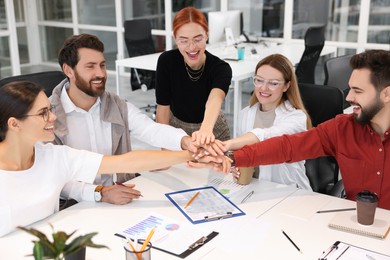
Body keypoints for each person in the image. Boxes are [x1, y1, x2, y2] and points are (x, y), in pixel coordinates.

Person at [0, 81, 219, 237]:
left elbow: (127, 162)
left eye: (50, 110)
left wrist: (193, 154)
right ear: (14, 124)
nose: (53, 117)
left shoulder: (55, 157)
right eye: (43, 113)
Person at [194, 50, 390, 210]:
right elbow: (286, 146)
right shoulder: (342, 128)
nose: (349, 97)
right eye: (350, 89)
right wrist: (231, 158)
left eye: (358, 91)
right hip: (356, 225)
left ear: (386, 94)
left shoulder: (296, 116)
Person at [50, 34, 195, 205]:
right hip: (74, 205)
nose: (100, 73)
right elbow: (52, 175)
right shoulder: (48, 116)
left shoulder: (115, 105)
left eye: (102, 65)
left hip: (120, 195)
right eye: (90, 66)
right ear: (68, 70)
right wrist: (100, 193)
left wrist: (185, 141)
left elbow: (151, 130)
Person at [224, 54, 312, 190]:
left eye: (273, 83)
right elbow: (242, 152)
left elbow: (268, 138)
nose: (263, 88)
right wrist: (235, 167)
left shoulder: (296, 118)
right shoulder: (245, 114)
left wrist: (227, 145)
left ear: (286, 86)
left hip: (287, 191)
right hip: (252, 187)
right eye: (259, 80)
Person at [155, 6, 232, 146]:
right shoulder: (166, 61)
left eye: (197, 39)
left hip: (212, 128)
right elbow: (163, 108)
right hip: (176, 130)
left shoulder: (221, 68)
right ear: (175, 38)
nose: (191, 48)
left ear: (207, 35)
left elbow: (215, 99)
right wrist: (163, 146)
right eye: (183, 40)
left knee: (222, 166)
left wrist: (205, 131)